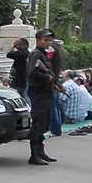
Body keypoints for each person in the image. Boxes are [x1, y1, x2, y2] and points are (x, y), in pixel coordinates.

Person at [26, 28, 59, 166]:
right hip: (38, 93)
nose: (47, 42)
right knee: (38, 123)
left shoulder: (44, 55)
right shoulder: (36, 54)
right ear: (38, 40)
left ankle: (40, 151)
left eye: (49, 40)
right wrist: (47, 77)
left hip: (46, 92)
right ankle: (34, 154)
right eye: (45, 40)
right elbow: (31, 73)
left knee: (45, 122)